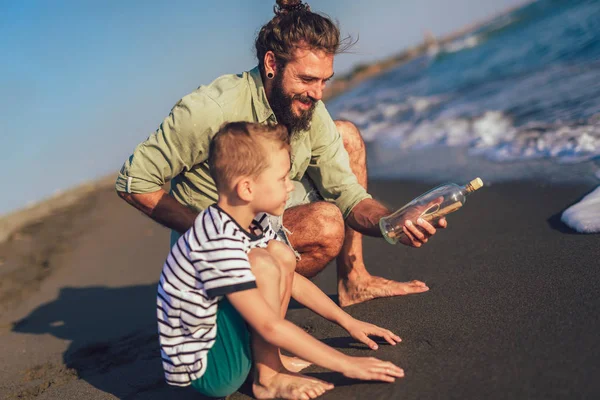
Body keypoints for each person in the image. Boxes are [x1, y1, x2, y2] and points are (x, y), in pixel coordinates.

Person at [116, 0, 447, 307]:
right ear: (272, 63)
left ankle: (354, 279)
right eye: (307, 79)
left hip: (270, 215)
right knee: (326, 224)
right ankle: (252, 318)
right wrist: (216, 235)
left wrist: (390, 222)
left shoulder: (308, 108)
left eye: (324, 81)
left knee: (346, 136)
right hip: (216, 243)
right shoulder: (210, 109)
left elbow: (347, 195)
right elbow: (135, 181)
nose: (317, 94)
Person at [159, 121, 404, 399]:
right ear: (247, 189)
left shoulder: (248, 219)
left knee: (280, 254)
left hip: (221, 333)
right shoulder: (216, 243)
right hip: (207, 369)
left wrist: (349, 322)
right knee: (263, 263)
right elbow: (268, 325)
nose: (290, 187)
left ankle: (269, 362)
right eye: (282, 178)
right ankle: (267, 378)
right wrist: (346, 364)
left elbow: (294, 281)